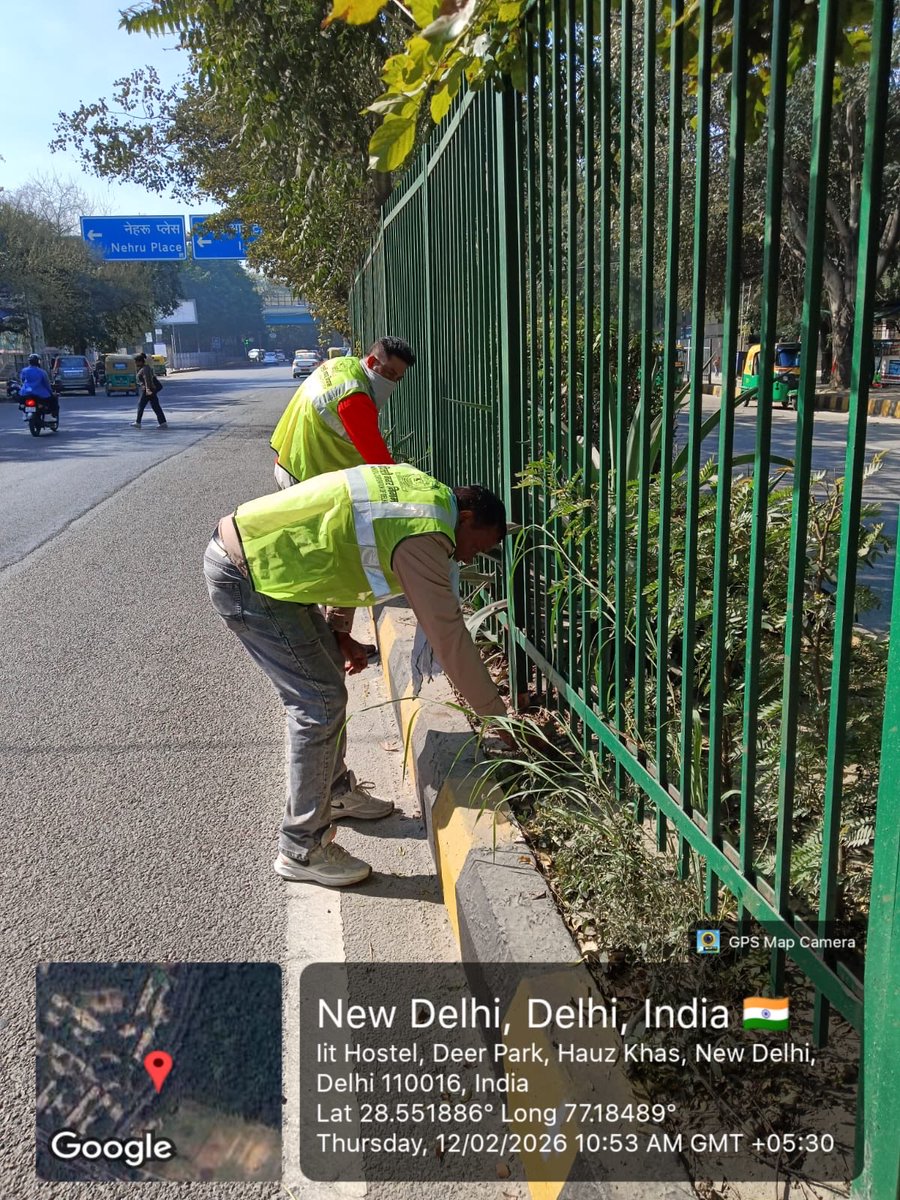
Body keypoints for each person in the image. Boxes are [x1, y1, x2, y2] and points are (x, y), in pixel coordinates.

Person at [203, 463, 514, 888]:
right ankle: (301, 848)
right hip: (248, 575)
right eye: (480, 545)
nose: (470, 557)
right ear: (466, 519)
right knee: (318, 704)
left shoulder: (418, 495)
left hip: (268, 563)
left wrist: (339, 631)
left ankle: (333, 793)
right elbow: (449, 635)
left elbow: (350, 548)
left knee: (327, 682)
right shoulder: (426, 533)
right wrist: (499, 719)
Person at [270, 335, 416, 669]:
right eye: (389, 374)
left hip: (290, 461)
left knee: (322, 553)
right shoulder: (355, 400)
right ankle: (332, 640)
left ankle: (329, 636)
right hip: (308, 475)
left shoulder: (340, 366)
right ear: (373, 362)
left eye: (399, 378)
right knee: (344, 553)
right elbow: (380, 467)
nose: (393, 382)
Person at [19, 354, 59, 423]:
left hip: (25, 393)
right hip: (40, 394)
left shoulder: (24, 371)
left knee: (22, 403)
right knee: (53, 399)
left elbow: (22, 380)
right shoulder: (42, 372)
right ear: (38, 362)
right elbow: (47, 384)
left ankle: (25, 413)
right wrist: (51, 392)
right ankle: (49, 415)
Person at [132, 353, 168, 428]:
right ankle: (163, 423)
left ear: (140, 361)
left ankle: (138, 422)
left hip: (147, 390)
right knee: (156, 407)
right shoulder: (144, 368)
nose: (135, 364)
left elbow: (147, 379)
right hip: (151, 390)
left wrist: (148, 389)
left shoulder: (145, 369)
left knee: (141, 406)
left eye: (136, 362)